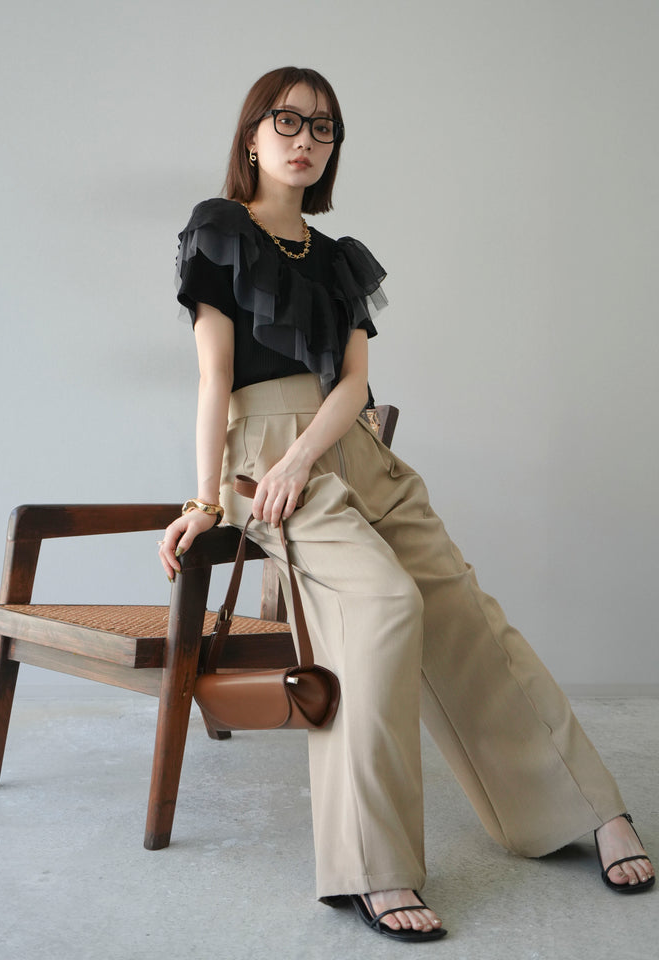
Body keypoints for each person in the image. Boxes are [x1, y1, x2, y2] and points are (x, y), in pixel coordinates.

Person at [157, 66, 654, 942]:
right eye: (287, 121)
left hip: (349, 450)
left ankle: (584, 807)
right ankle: (372, 867)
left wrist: (312, 454)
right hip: (265, 464)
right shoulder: (218, 231)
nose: (306, 140)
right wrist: (206, 499)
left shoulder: (341, 260)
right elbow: (214, 378)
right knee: (384, 608)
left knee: (465, 612)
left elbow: (354, 384)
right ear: (251, 137)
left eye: (324, 127)